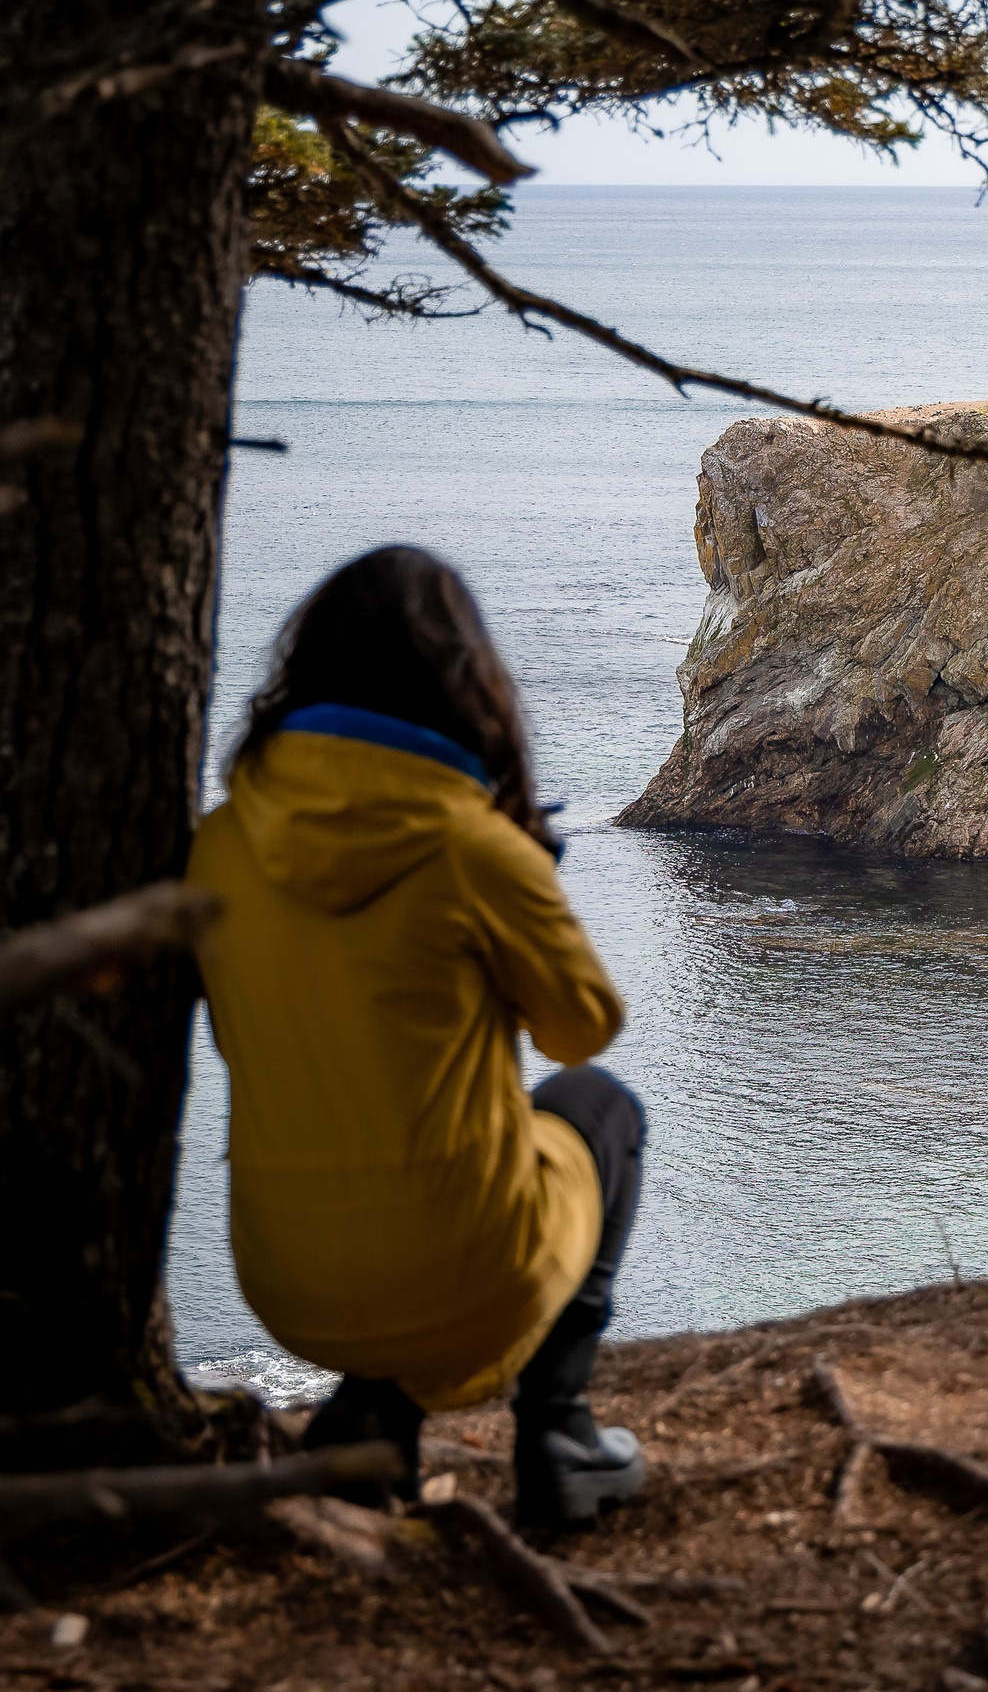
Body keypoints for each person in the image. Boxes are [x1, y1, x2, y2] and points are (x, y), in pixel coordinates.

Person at [188, 545, 647, 1528]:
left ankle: (370, 1424)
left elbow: (238, 1036)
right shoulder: (475, 848)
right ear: (465, 686)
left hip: (284, 1277)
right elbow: (582, 1030)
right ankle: (559, 1433)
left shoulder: (219, 846)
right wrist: (530, 877)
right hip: (467, 1275)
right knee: (601, 1111)